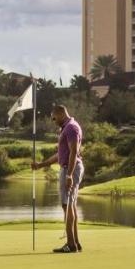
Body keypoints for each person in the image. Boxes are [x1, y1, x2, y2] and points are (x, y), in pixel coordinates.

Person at [32, 104, 84, 253]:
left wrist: (69, 174)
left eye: (54, 118)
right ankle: (75, 242)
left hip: (69, 169)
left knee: (66, 206)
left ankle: (71, 244)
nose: (53, 120)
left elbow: (74, 152)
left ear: (61, 114)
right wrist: (41, 165)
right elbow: (61, 155)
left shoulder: (71, 128)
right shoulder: (68, 127)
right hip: (69, 167)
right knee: (70, 206)